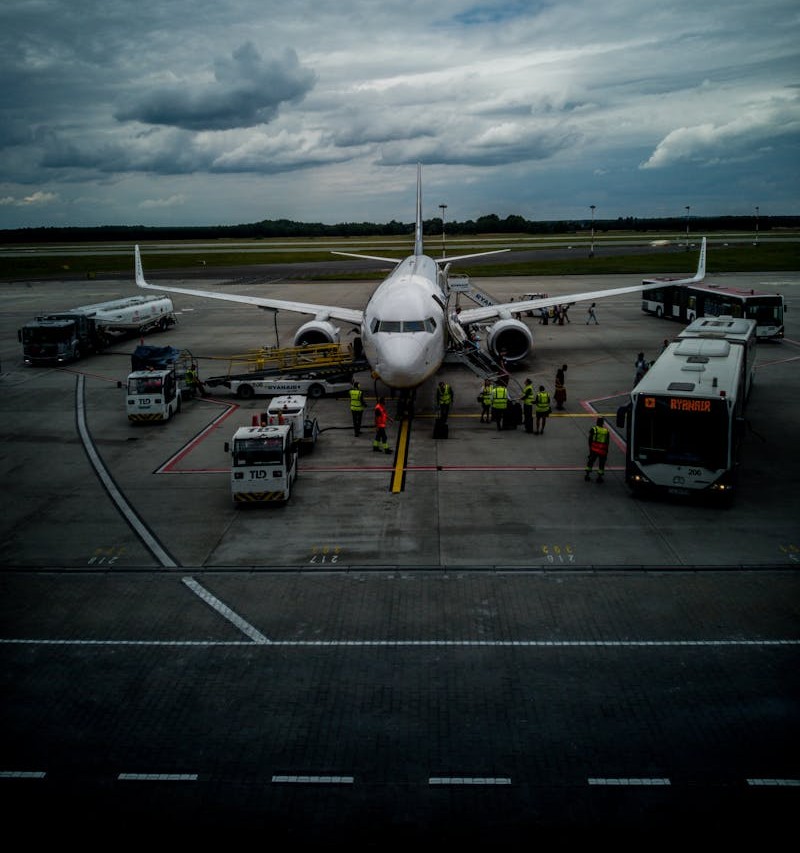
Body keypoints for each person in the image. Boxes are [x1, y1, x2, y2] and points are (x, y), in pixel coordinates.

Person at [585, 416, 610, 483]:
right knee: (601, 464)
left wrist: (590, 448)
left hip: (594, 449)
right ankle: (599, 477)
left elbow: (590, 440)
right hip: (603, 450)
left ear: (597, 422)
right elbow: (607, 442)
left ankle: (587, 475)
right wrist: (606, 451)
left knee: (590, 462)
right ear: (603, 423)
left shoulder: (594, 429)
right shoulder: (606, 431)